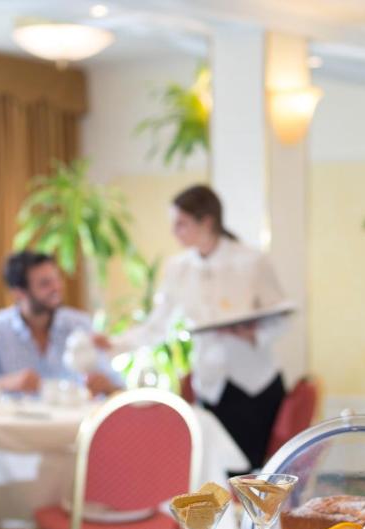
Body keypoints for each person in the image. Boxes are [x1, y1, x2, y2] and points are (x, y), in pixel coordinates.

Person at [103, 185, 288, 469]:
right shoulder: (178, 268)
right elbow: (157, 325)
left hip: (255, 386)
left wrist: (251, 333)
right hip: (210, 385)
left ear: (207, 222)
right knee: (213, 472)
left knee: (250, 476)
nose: (174, 232)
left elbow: (280, 317)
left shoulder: (251, 261)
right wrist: (114, 345)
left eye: (181, 224)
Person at [0, 251, 122, 397]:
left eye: (57, 279)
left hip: (73, 418)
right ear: (19, 292)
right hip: (15, 419)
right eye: (45, 284)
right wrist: (6, 383)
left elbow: (118, 388)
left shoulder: (79, 325)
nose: (57, 288)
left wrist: (105, 386)